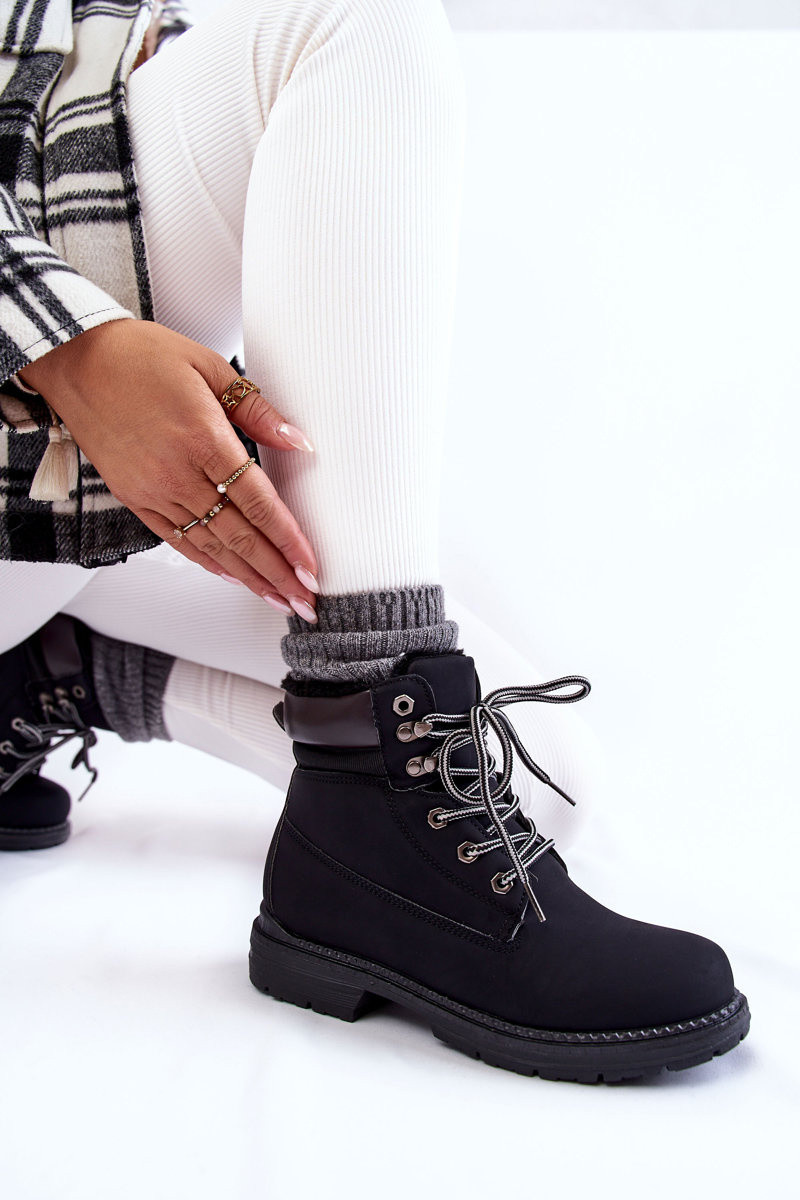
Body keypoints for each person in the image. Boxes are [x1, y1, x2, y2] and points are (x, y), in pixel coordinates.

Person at [0, 0, 749, 1081]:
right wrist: (69, 352)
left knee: (547, 790)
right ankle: (366, 754)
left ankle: (69, 673)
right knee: (351, 22)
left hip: (46, 153)